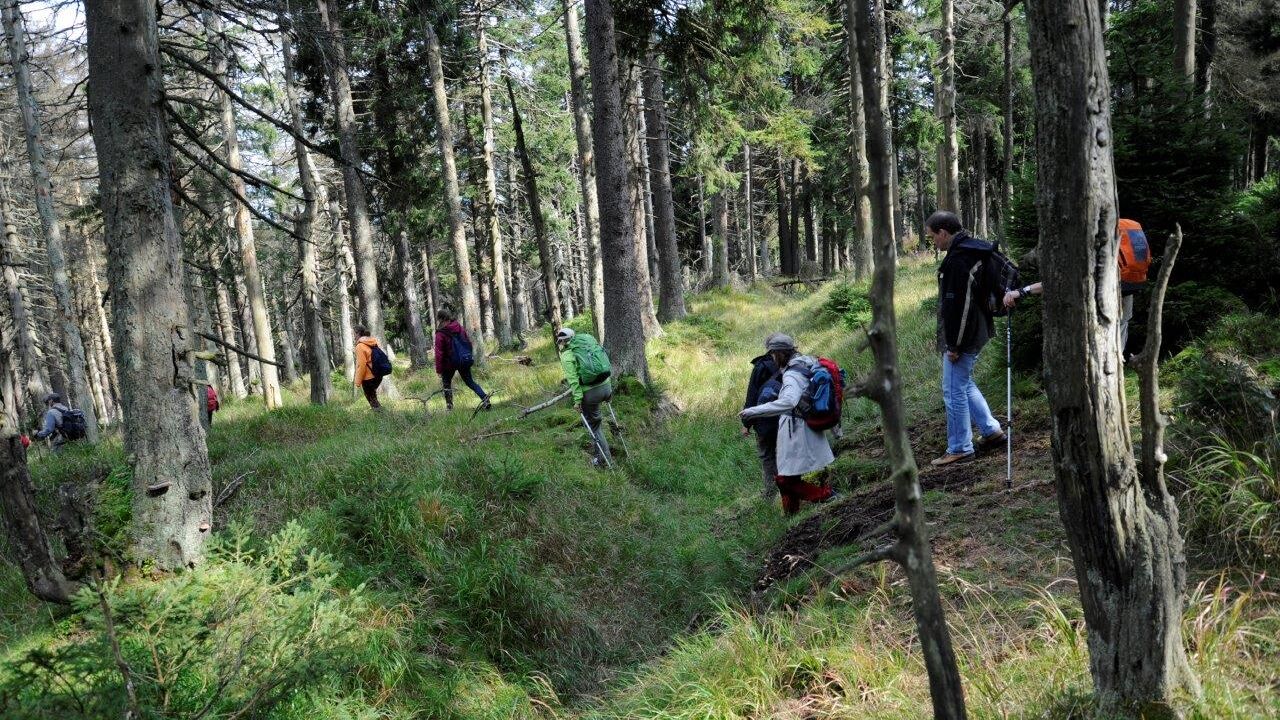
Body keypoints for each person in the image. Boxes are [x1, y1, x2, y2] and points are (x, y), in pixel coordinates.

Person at [926, 211, 1005, 467]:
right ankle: (991, 429)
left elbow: (959, 307)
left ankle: (960, 447)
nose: (933, 243)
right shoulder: (969, 250)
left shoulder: (959, 259)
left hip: (966, 335)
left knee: (952, 390)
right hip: (978, 329)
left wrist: (954, 345)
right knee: (963, 383)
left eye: (933, 237)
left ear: (943, 233)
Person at [737, 334, 837, 515]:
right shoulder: (806, 362)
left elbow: (789, 401)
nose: (773, 359)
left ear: (780, 353)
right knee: (789, 476)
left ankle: (827, 496)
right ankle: (791, 515)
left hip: (796, 430)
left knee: (785, 480)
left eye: (773, 354)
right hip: (801, 427)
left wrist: (753, 411)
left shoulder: (792, 374)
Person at [555, 327, 613, 466]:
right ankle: (603, 456)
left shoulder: (567, 355)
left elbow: (573, 380)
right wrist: (609, 391)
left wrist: (577, 401)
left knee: (594, 427)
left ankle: (604, 462)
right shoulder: (589, 342)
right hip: (606, 386)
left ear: (562, 342)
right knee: (596, 422)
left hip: (591, 393)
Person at [742, 334, 783, 499]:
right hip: (788, 418)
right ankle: (791, 486)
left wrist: (746, 423)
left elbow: (752, 396)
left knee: (767, 456)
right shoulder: (795, 363)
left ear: (768, 348)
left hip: (765, 421)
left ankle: (771, 493)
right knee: (786, 453)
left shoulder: (761, 367)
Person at [434, 309, 489, 411]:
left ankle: (449, 408)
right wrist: (467, 355)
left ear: (440, 319)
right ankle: (485, 399)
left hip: (449, 363)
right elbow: (468, 342)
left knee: (446, 384)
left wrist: (439, 369)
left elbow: (439, 353)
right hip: (464, 360)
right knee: (470, 382)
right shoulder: (458, 327)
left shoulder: (440, 333)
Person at [353, 325, 384, 410]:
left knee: (372, 399)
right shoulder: (372, 342)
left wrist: (358, 381)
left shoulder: (360, 346)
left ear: (358, 333)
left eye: (354, 333)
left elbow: (362, 365)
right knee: (373, 397)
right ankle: (381, 415)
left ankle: (381, 417)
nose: (354, 336)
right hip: (378, 374)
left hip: (368, 378)